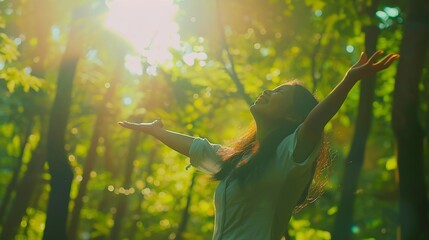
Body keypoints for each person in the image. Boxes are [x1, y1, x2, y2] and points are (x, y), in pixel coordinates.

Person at [119, 50, 399, 240]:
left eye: (279, 93)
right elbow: (198, 148)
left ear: (292, 115)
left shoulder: (291, 153)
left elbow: (315, 122)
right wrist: (158, 131)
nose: (268, 91)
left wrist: (349, 79)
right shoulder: (239, 160)